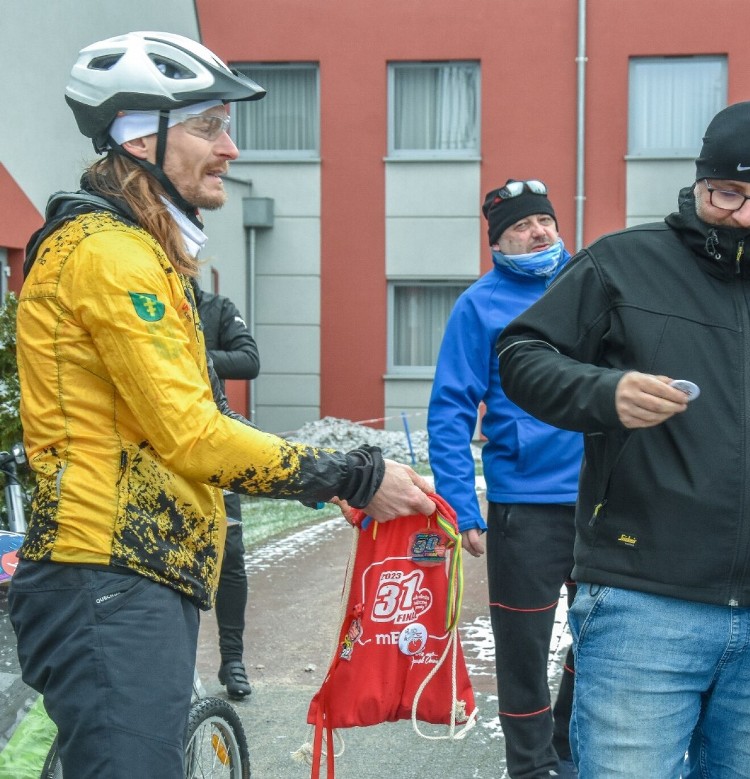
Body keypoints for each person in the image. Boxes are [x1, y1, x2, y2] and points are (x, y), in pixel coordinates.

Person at [9, 31, 434, 779]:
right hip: (107, 575)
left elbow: (177, 429)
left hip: (131, 574)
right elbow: (197, 436)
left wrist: (319, 480)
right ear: (143, 136)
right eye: (209, 126)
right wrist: (352, 473)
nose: (230, 148)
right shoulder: (111, 255)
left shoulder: (135, 248)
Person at [496, 100, 750, 778]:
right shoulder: (621, 265)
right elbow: (523, 354)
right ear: (699, 181)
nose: (747, 213)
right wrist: (604, 393)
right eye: (729, 193)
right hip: (641, 607)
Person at [428, 179, 584, 779]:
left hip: (602, 498)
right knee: (523, 647)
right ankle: (530, 767)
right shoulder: (479, 305)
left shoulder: (590, 283)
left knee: (601, 632)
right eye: (522, 225)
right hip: (525, 504)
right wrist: (462, 507)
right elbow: (450, 411)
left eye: (544, 219)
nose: (539, 231)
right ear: (498, 241)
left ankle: (568, 746)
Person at [191, 278, 260, 699]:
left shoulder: (216, 308)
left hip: (215, 442)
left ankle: (232, 659)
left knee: (229, 558)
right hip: (161, 449)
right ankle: (174, 667)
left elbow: (249, 360)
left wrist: (193, 355)